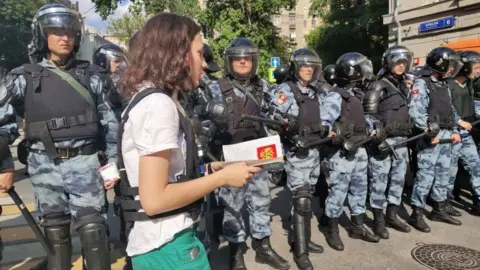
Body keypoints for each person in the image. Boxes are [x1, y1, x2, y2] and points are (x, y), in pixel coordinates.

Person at [116, 13, 262, 270]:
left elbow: (170, 175)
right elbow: (155, 199)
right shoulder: (157, 105)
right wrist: (222, 180)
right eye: (199, 54)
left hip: (171, 241)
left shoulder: (160, 99)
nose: (204, 64)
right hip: (167, 246)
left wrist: (212, 169)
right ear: (177, 55)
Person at [0, 4, 120, 269]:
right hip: (44, 167)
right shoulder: (22, 78)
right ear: (42, 35)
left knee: (94, 233)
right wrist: (5, 164)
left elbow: (112, 123)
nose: (65, 37)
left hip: (86, 164)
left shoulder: (94, 76)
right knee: (55, 235)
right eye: (56, 31)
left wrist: (111, 165)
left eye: (70, 31)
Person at [204, 37, 290, 270]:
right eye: (238, 60)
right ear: (229, 62)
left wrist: (284, 121)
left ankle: (263, 246)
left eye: (247, 60)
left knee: (261, 201)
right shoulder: (215, 87)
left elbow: (279, 113)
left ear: (254, 62)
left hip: (258, 152)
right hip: (229, 154)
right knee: (232, 206)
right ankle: (235, 251)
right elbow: (203, 118)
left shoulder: (264, 87)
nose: (242, 64)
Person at [269, 48, 328, 269]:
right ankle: (300, 253)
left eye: (312, 66)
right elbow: (272, 117)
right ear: (296, 68)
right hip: (296, 152)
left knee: (307, 198)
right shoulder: (286, 89)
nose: (308, 69)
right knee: (302, 200)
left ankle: (302, 238)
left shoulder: (314, 91)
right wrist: (289, 129)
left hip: (314, 151)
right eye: (304, 66)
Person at [322, 52, 382, 251]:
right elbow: (324, 122)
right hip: (342, 153)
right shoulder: (335, 95)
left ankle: (357, 226)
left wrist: (375, 126)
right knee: (338, 192)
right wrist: (332, 132)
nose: (365, 72)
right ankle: (332, 229)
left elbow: (363, 118)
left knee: (359, 189)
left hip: (360, 148)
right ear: (351, 72)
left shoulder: (355, 93)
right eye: (362, 68)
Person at [408, 47, 463, 233]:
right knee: (426, 175)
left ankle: (438, 208)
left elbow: (450, 110)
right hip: (431, 136)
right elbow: (415, 110)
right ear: (440, 64)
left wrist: (456, 129)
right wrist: (428, 130)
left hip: (447, 134)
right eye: (450, 65)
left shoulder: (444, 84)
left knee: (443, 172)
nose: (452, 69)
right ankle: (416, 213)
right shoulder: (422, 84)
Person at [363, 45, 414, 239]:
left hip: (401, 140)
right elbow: (368, 114)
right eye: (397, 62)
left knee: (398, 179)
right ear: (389, 62)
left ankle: (392, 215)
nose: (401, 66)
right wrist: (377, 130)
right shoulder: (378, 85)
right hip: (383, 141)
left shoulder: (403, 85)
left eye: (404, 62)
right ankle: (378, 221)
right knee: (379, 181)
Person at [447, 51, 480, 217]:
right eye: (476, 67)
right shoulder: (448, 86)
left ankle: (478, 201)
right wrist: (459, 123)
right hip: (452, 135)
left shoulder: (469, 85)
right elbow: (444, 110)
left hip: (466, 135)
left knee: (476, 166)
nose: (478, 71)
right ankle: (443, 202)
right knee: (449, 171)